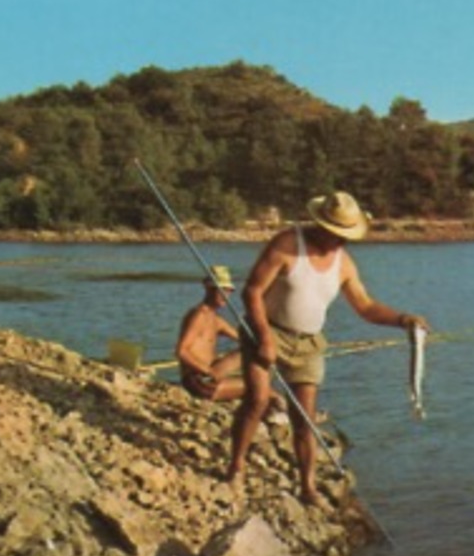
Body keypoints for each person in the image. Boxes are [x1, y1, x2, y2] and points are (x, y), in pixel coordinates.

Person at [226, 190, 429, 507]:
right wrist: (264, 337)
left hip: (308, 342)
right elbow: (251, 292)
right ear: (320, 224)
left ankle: (307, 487)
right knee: (257, 400)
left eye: (345, 236)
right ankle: (235, 468)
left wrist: (403, 319)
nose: (339, 241)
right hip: (266, 329)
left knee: (305, 419)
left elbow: (365, 306)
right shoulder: (287, 245)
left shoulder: (344, 264)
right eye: (335, 234)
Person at [175, 266, 244, 403]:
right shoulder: (199, 315)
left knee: (248, 349)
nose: (226, 295)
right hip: (198, 381)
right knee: (261, 389)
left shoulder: (216, 319)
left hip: (210, 375)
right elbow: (181, 351)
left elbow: (244, 339)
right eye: (222, 290)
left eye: (229, 291)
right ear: (209, 289)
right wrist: (208, 371)